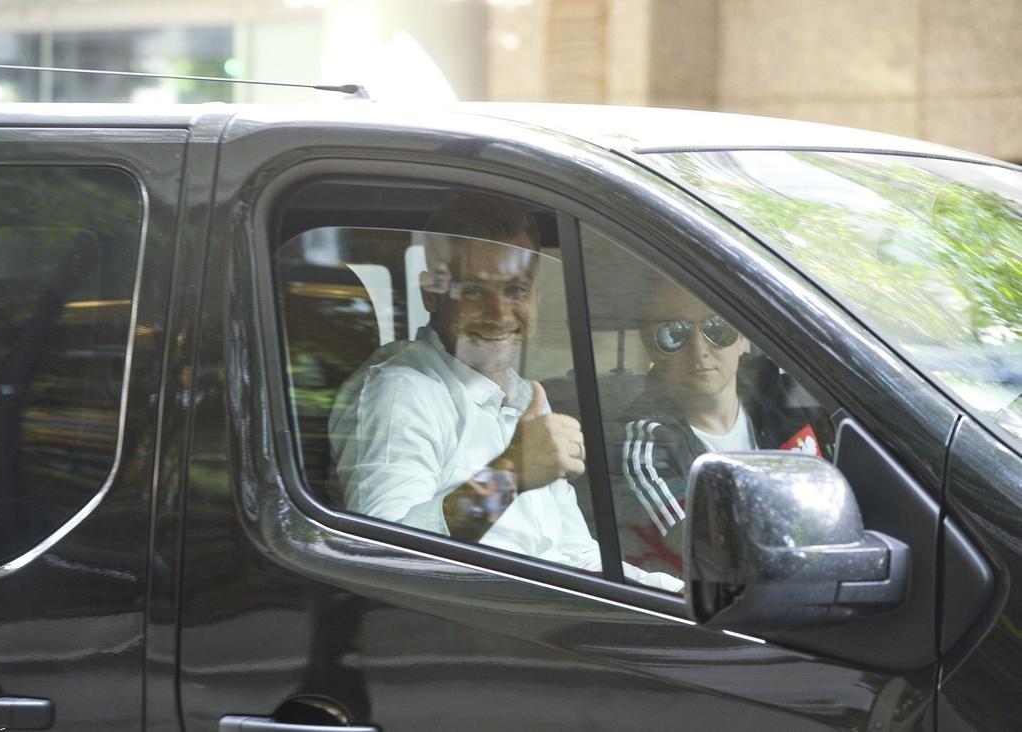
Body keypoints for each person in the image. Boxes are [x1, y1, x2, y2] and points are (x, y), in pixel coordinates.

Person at [328, 192, 681, 592]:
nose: (498, 314)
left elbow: (575, 555)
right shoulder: (400, 393)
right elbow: (383, 560)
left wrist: (675, 593)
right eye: (473, 291)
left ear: (535, 296)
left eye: (515, 291)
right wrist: (508, 476)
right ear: (431, 294)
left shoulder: (526, 397)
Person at [611, 282, 832, 580]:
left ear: (741, 338)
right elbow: (712, 551)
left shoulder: (792, 397)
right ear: (650, 345)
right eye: (673, 333)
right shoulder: (646, 446)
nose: (699, 350)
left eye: (718, 328)